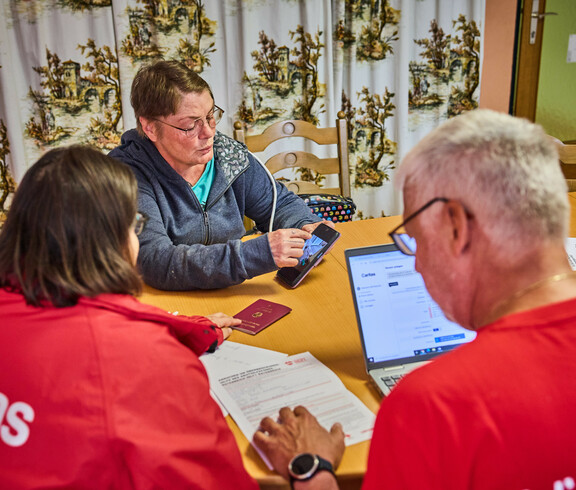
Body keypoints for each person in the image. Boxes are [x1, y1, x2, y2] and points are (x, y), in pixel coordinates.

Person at [253, 109, 576, 488]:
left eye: (415, 240)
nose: (418, 266)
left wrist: (311, 469)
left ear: (457, 227)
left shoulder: (435, 405)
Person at [0, 146, 257, 489]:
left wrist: (182, 329)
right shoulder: (146, 362)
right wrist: (310, 470)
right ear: (111, 241)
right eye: (133, 224)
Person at [109, 59, 331, 291]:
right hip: (165, 303)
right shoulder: (125, 176)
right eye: (190, 125)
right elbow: (156, 261)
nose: (208, 132)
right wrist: (256, 254)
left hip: (230, 292)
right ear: (151, 128)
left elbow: (280, 205)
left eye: (210, 116)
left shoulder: (228, 155)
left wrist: (307, 227)